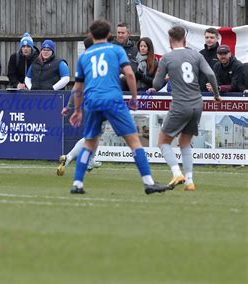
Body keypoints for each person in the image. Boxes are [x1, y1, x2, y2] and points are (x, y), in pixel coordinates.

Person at [68, 19, 169, 195]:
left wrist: (77, 110)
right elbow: (129, 74)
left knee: (89, 143)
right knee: (134, 141)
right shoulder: (116, 50)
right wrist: (134, 98)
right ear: (109, 35)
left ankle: (77, 183)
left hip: (92, 101)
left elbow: (77, 87)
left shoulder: (84, 56)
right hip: (113, 99)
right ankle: (148, 182)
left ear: (92, 35)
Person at [154, 26, 222, 192]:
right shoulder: (196, 54)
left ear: (170, 41)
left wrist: (167, 74)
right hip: (197, 104)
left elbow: (156, 84)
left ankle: (177, 173)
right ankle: (189, 181)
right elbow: (211, 75)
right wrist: (216, 94)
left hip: (180, 104)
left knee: (163, 141)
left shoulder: (167, 58)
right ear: (185, 39)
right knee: (185, 142)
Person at [57, 35, 101, 176]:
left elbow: (77, 87)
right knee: (92, 135)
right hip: (100, 101)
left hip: (89, 102)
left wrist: (69, 106)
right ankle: (70, 157)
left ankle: (90, 159)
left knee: (96, 134)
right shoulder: (100, 60)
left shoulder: (84, 62)